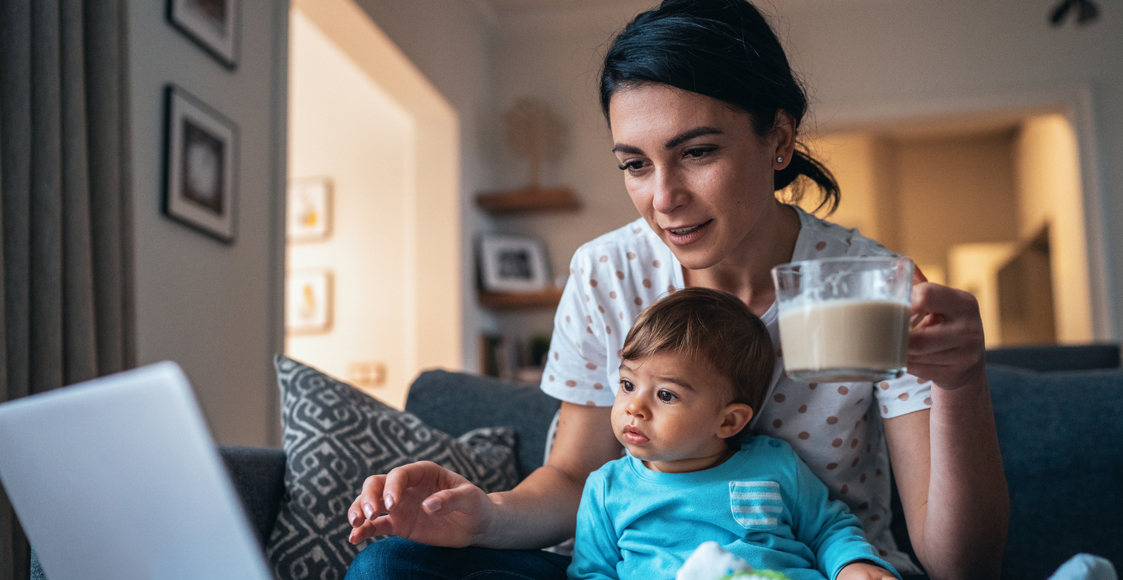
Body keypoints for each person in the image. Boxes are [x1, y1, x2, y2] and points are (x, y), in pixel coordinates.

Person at [344, 1, 1009, 579]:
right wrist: (479, 514)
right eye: (635, 164)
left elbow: (960, 567)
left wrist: (958, 381)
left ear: (777, 138)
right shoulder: (607, 272)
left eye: (696, 153)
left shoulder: (872, 285)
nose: (663, 199)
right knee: (390, 565)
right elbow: (574, 479)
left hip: (805, 569)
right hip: (637, 566)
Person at [567, 287, 900, 580]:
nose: (634, 407)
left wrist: (852, 566)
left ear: (729, 422)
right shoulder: (607, 489)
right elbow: (592, 572)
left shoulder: (774, 464)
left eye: (666, 394)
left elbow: (828, 529)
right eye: (628, 384)